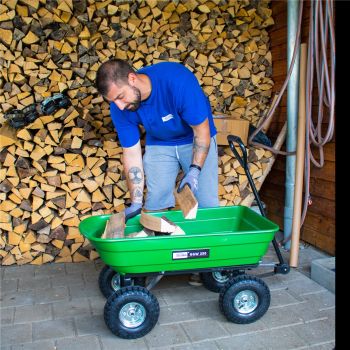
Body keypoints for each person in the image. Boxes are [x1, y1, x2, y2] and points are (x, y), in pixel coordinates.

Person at [95, 59, 219, 285]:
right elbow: (131, 154)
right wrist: (135, 201)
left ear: (132, 78)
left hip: (194, 138)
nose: (119, 106)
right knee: (154, 202)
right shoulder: (119, 106)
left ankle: (206, 266)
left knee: (207, 202)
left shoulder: (177, 81)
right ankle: (157, 260)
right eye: (113, 101)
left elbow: (202, 133)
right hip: (159, 143)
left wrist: (193, 172)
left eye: (120, 97)